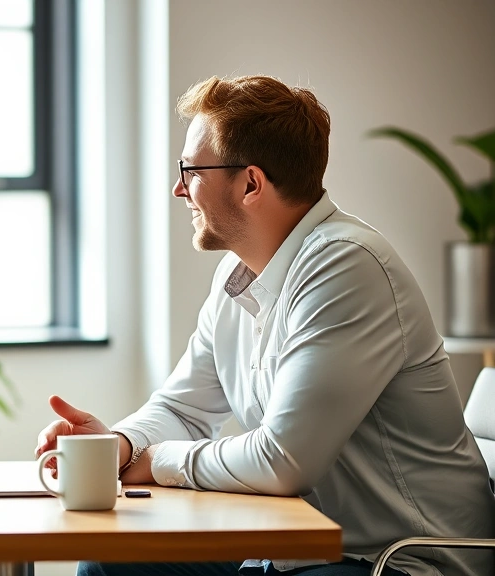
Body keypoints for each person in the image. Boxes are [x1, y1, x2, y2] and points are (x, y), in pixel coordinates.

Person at [35, 76, 495, 576]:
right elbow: (184, 407)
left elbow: (283, 459)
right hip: (305, 545)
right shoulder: (238, 277)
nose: (178, 188)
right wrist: (117, 446)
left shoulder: (346, 267)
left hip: (397, 559)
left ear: (251, 183)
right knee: (110, 562)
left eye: (190, 170)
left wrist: (160, 458)